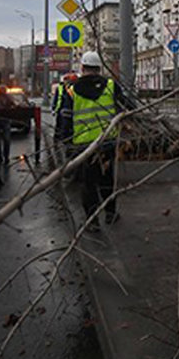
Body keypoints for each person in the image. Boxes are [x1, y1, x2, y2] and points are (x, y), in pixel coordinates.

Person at [70, 51, 132, 230]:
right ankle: (111, 214)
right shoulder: (111, 86)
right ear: (99, 68)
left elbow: (65, 117)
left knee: (88, 183)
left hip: (83, 144)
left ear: (82, 68)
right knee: (107, 179)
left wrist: (64, 140)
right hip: (107, 142)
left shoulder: (72, 89)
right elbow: (128, 106)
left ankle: (92, 221)